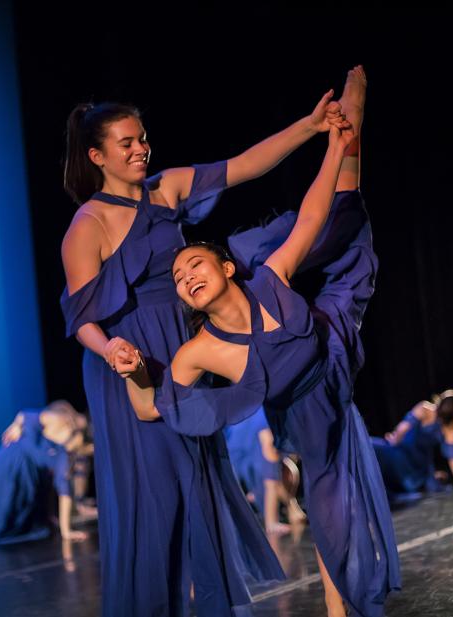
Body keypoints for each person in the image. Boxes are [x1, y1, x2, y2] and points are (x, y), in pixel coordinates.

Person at [59, 80, 349, 616]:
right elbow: (82, 319)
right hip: (129, 367)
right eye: (125, 143)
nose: (140, 148)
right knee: (155, 499)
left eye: (141, 138)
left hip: (182, 350)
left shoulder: (165, 190)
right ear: (97, 155)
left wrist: (310, 127)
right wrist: (113, 351)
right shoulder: (88, 225)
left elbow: (245, 165)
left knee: (200, 484)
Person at [121, 67, 401, 617]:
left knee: (343, 222)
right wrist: (132, 369)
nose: (186, 279)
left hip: (331, 340)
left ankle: (353, 127)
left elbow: (312, 215)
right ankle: (337, 605)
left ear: (227, 266)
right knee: (329, 514)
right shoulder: (198, 350)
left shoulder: (270, 277)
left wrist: (334, 146)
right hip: (303, 417)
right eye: (178, 280)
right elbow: (152, 408)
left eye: (194, 264)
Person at [0, 403, 88, 549]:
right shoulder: (58, 420)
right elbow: (26, 416)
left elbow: (64, 491)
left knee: (3, 515)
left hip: (27, 477)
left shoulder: (66, 456)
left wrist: (66, 530)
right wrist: (16, 426)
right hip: (9, 461)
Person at [371, 390, 453, 499]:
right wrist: (394, 439)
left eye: (452, 406)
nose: (448, 407)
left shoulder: (450, 427)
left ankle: (423, 477)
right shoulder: (425, 409)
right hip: (402, 449)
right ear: (441, 401)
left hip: (419, 460)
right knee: (373, 448)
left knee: (410, 480)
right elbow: (403, 428)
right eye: (448, 403)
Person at [224, 406, 307, 534]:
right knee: (273, 478)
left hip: (235, 452)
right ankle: (271, 521)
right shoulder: (269, 416)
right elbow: (271, 477)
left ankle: (259, 499)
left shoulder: (261, 410)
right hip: (241, 454)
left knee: (276, 475)